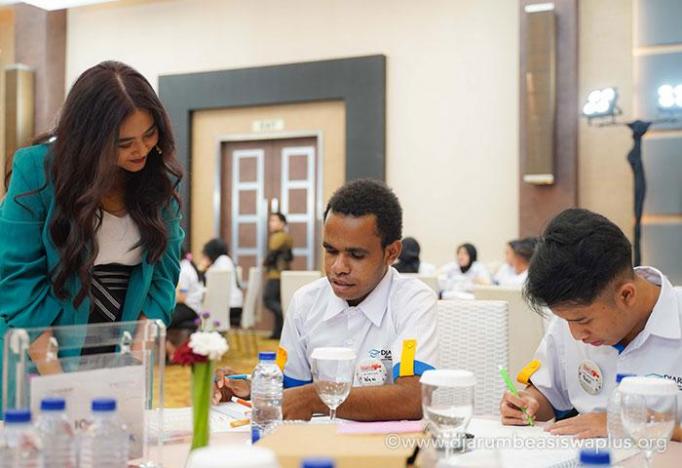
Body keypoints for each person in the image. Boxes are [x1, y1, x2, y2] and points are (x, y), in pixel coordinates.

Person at [0, 61, 183, 386]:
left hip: (121, 348)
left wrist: (133, 365)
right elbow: (17, 279)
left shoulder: (157, 180)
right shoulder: (37, 171)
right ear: (88, 139)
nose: (141, 149)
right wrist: (59, 384)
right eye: (124, 143)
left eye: (149, 134)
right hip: (41, 353)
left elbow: (163, 278)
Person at [215, 179, 438, 421]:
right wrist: (250, 387)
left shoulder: (412, 301)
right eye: (331, 251)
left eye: (356, 255)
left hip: (385, 443)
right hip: (318, 440)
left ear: (391, 253)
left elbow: (412, 398)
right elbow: (292, 388)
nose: (338, 267)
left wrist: (316, 397)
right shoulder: (306, 303)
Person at [500, 208, 682, 441]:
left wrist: (626, 423)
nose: (576, 335)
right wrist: (529, 403)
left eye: (583, 321)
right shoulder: (573, 315)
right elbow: (547, 393)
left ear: (626, 295)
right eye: (567, 320)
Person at [262, 212, 294, 339]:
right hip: (282, 274)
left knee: (268, 300)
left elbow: (272, 254)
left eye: (274, 220)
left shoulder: (278, 237)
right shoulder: (286, 237)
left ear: (282, 223)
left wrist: (265, 263)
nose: (271, 223)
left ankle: (285, 317)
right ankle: (278, 332)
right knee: (277, 301)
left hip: (276, 275)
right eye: (270, 220)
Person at [199, 238, 243, 328]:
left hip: (229, 306)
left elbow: (212, 282)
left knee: (198, 310)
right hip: (234, 305)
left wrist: (202, 268)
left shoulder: (222, 261)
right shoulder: (226, 260)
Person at [167, 248, 203, 355]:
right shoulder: (187, 266)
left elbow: (182, 298)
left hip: (188, 308)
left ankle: (173, 353)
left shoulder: (183, 270)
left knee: (160, 321)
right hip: (192, 308)